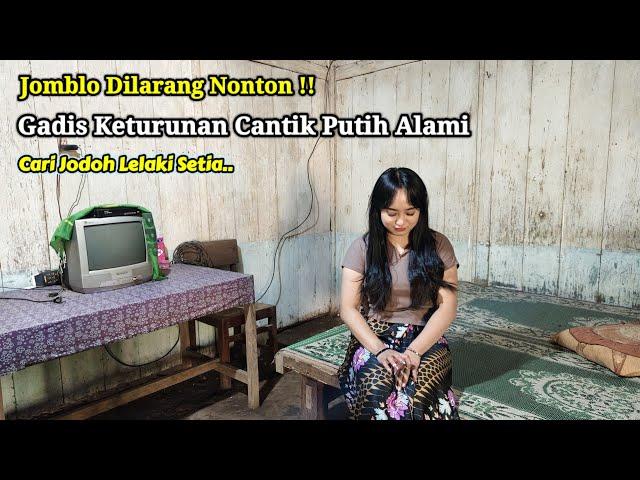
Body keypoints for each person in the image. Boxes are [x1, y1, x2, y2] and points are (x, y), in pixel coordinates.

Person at [337, 167, 460, 420]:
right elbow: (347, 309)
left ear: (421, 211)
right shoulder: (362, 248)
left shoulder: (439, 246)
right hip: (375, 335)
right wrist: (381, 351)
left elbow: (447, 307)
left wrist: (414, 351)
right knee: (377, 384)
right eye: (391, 213)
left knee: (417, 386)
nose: (401, 222)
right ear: (378, 211)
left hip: (426, 336)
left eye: (410, 213)